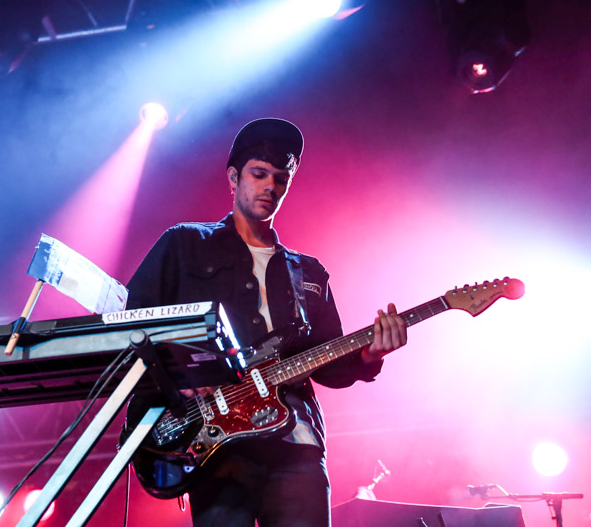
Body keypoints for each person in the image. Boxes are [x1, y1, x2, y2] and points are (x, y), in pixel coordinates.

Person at [126, 117, 407, 527]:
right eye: (259, 174)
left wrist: (369, 353)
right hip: (217, 441)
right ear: (233, 177)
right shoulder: (184, 244)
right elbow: (133, 325)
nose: (270, 187)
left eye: (280, 178)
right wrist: (177, 376)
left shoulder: (308, 272)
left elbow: (330, 362)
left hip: (297, 444)